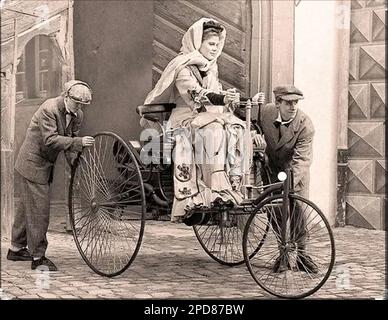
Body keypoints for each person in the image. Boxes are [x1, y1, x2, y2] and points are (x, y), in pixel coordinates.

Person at [143, 18, 258, 223]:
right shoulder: (182, 66)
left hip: (206, 116)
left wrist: (244, 100)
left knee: (237, 128)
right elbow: (195, 94)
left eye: (217, 45)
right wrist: (222, 98)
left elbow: (219, 94)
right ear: (198, 43)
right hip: (184, 119)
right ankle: (210, 190)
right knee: (214, 127)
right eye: (211, 44)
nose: (215, 49)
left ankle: (234, 184)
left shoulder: (212, 68)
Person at [7, 80, 95, 271]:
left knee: (27, 206)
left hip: (45, 164)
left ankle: (15, 248)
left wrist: (75, 163)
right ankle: (38, 257)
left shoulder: (77, 114)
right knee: (39, 211)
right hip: (32, 164)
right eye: (77, 102)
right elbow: (51, 140)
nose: (79, 107)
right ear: (66, 96)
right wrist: (78, 142)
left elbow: (70, 141)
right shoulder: (49, 109)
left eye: (83, 104)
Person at [259, 85, 318, 273]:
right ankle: (282, 253)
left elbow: (302, 160)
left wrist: (288, 185)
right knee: (275, 211)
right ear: (277, 104)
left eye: (295, 102)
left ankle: (301, 255)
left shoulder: (305, 125)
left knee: (298, 211)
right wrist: (254, 134)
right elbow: (248, 119)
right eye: (288, 103)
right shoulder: (266, 112)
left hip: (294, 172)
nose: (293, 107)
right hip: (272, 169)